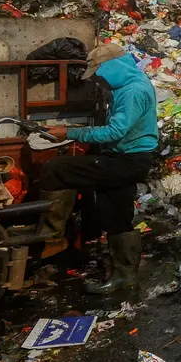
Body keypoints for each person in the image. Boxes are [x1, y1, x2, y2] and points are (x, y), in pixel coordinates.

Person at [41, 44, 157, 294]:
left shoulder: (132, 91)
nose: (97, 79)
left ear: (112, 68)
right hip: (127, 157)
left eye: (98, 73)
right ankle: (123, 273)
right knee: (116, 213)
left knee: (57, 168)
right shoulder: (130, 84)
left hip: (127, 160)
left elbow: (116, 130)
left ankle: (51, 235)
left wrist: (69, 132)